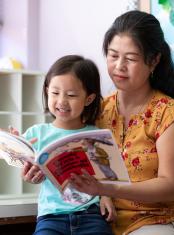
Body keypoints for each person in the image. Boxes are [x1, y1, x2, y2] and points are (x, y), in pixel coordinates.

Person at [68, 11, 174, 235]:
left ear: (154, 60)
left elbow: (172, 187)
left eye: (130, 59)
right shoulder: (99, 110)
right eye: (113, 56)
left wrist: (107, 188)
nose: (119, 66)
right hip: (105, 223)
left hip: (161, 221)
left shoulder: (169, 114)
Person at [19, 55, 115, 235]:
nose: (61, 101)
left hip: (90, 215)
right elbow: (22, 164)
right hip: (51, 217)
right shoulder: (36, 133)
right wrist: (26, 173)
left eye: (71, 95)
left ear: (88, 99)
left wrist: (106, 197)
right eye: (55, 93)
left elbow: (107, 174)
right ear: (47, 91)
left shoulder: (95, 134)